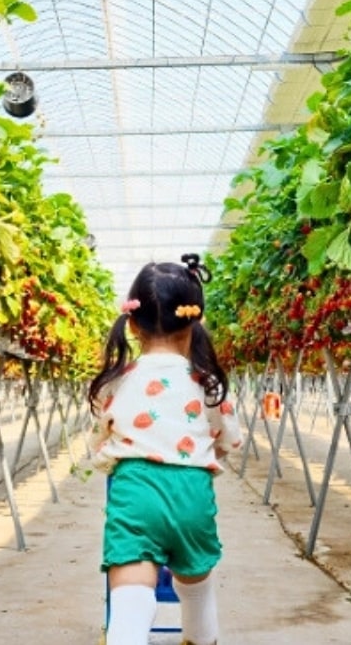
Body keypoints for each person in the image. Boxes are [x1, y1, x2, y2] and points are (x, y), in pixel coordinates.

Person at [89, 255, 243, 645]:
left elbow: (100, 440)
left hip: (135, 493)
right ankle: (199, 637)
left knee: (130, 599)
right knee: (195, 589)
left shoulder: (116, 381)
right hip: (192, 494)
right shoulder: (207, 383)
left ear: (133, 324)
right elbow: (228, 440)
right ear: (195, 321)